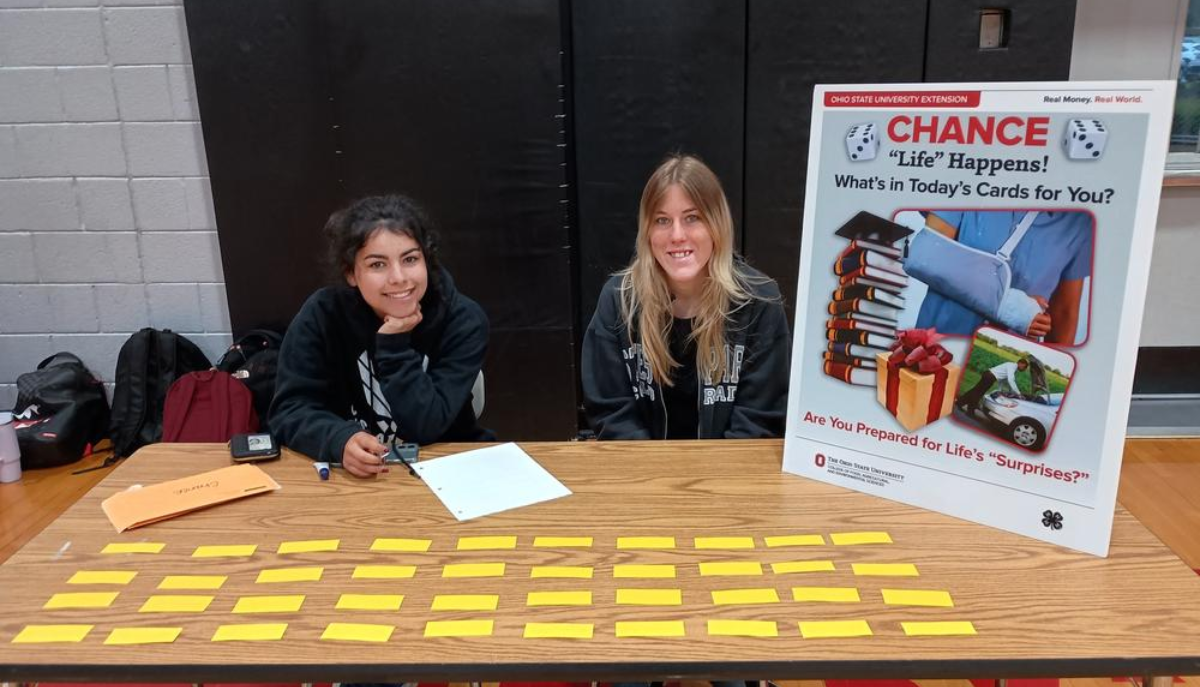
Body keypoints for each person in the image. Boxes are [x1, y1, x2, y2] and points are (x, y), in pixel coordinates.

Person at [270, 194, 492, 477]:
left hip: (444, 466)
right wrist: (338, 439)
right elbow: (289, 409)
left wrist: (393, 344)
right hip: (353, 477)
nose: (398, 277)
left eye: (410, 259)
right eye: (377, 264)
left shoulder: (463, 320)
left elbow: (425, 427)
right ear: (351, 273)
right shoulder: (323, 315)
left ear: (427, 260)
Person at [582, 153, 790, 440]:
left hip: (731, 476)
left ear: (717, 224)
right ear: (647, 231)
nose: (677, 235)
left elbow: (757, 423)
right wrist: (657, 480)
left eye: (692, 218)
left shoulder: (758, 301)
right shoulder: (620, 299)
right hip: (643, 474)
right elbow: (611, 414)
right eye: (662, 220)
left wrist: (710, 481)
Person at [915, 210, 1092, 344]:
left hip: (1012, 352)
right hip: (937, 345)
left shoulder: (1081, 221)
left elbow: (1063, 312)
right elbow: (925, 256)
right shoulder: (974, 174)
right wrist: (1007, 303)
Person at [957, 357, 1029, 416]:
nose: (1024, 369)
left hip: (989, 376)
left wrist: (1000, 389)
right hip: (990, 377)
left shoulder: (1011, 366)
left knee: (976, 391)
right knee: (978, 393)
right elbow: (1011, 380)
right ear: (1021, 364)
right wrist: (1018, 393)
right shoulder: (1012, 366)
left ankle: (960, 403)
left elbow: (1003, 379)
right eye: (1024, 367)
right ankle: (970, 411)